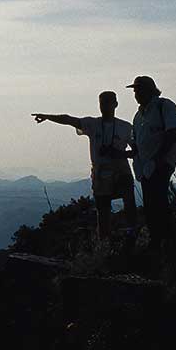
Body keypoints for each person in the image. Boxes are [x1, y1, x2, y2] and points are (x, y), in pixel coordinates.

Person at [32, 91, 137, 240]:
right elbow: (69, 119)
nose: (105, 106)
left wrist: (118, 154)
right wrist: (48, 117)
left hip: (120, 169)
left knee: (128, 194)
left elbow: (135, 151)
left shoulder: (125, 127)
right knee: (103, 209)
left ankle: (132, 230)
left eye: (108, 102)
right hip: (100, 172)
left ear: (116, 104)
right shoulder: (92, 124)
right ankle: (105, 241)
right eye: (102, 103)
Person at [127, 75, 176, 250]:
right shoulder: (138, 115)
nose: (136, 94)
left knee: (158, 201)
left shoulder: (165, 106)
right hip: (145, 167)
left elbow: (173, 133)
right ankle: (159, 240)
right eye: (135, 90)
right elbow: (138, 143)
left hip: (161, 163)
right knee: (151, 203)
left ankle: (164, 240)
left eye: (138, 89)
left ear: (149, 90)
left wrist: (158, 159)